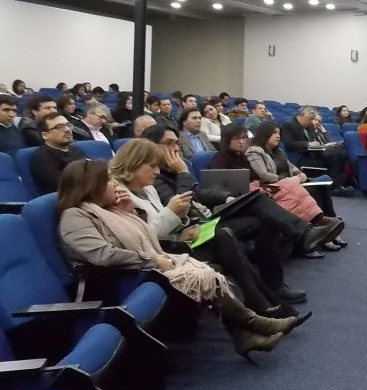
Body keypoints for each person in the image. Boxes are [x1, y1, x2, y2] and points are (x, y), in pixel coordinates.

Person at [58, 158, 300, 360]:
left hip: (138, 268)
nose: (115, 185)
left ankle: (246, 332)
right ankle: (254, 323)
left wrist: (130, 211)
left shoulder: (111, 210)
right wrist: (154, 261)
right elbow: (104, 255)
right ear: (92, 186)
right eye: (108, 181)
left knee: (208, 267)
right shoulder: (75, 216)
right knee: (203, 272)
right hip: (116, 280)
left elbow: (142, 236)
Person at [138, 128, 318, 306]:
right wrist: (183, 172)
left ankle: (277, 282)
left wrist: (226, 197)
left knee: (261, 213)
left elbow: (198, 192)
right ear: (150, 146)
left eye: (177, 143)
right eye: (169, 144)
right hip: (189, 232)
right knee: (255, 206)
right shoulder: (154, 177)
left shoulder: (171, 169)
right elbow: (180, 205)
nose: (176, 148)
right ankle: (303, 234)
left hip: (204, 220)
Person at [210, 124, 344, 253]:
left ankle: (319, 224)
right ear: (227, 140)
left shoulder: (243, 157)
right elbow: (219, 186)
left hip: (253, 193)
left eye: (244, 138)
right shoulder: (221, 158)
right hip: (237, 200)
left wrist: (262, 185)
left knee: (309, 187)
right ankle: (311, 230)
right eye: (236, 138)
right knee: (289, 188)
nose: (241, 142)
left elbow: (256, 177)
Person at [247, 121, 344, 246]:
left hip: (289, 183)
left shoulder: (278, 151)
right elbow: (264, 175)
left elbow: (292, 167)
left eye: (279, 133)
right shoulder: (254, 151)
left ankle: (329, 225)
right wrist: (291, 179)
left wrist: (300, 174)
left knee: (321, 186)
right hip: (274, 186)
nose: (278, 136)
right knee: (313, 190)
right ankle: (320, 225)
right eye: (274, 133)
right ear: (264, 134)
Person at [280, 106, 352, 197]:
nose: (312, 121)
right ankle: (335, 188)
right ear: (302, 115)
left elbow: (315, 141)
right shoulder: (289, 125)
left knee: (336, 157)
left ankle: (337, 186)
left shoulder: (309, 126)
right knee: (333, 160)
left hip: (313, 154)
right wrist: (308, 144)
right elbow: (288, 143)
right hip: (300, 158)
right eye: (310, 118)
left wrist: (318, 144)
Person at [29, 112, 86, 194]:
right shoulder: (42, 157)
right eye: (60, 127)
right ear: (45, 135)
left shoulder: (76, 150)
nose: (67, 129)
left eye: (68, 125)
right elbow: (63, 186)